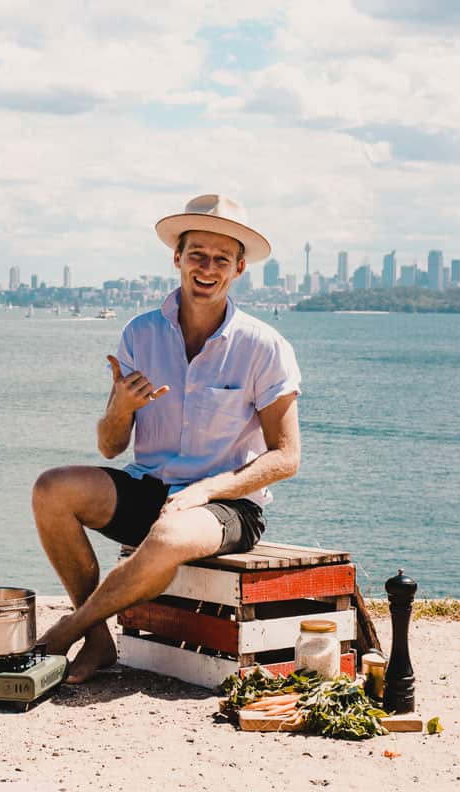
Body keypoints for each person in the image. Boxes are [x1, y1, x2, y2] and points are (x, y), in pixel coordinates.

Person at [33, 194, 303, 683]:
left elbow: (286, 457)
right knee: (51, 490)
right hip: (150, 487)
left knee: (170, 534)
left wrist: (205, 491)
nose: (208, 267)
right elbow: (111, 447)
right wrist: (120, 408)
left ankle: (68, 630)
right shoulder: (141, 334)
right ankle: (99, 642)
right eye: (197, 254)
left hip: (227, 505)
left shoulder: (263, 346)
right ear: (176, 258)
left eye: (222, 258)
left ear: (240, 268)